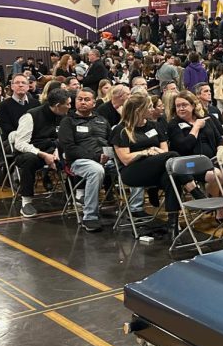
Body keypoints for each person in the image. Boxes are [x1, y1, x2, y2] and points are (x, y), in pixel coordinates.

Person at [112, 92, 194, 236]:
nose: (152, 109)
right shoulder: (121, 130)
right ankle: (194, 190)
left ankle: (172, 224)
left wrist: (156, 152)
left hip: (156, 168)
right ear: (139, 110)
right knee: (174, 156)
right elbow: (125, 159)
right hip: (133, 172)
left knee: (172, 177)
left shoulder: (154, 125)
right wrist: (146, 152)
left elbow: (164, 151)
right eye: (149, 107)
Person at [59, 88, 113, 231]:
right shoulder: (68, 121)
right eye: (79, 99)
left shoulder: (102, 120)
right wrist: (96, 157)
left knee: (133, 163)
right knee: (96, 170)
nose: (83, 102)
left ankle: (135, 208)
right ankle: (90, 216)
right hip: (79, 162)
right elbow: (70, 149)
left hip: (107, 159)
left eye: (87, 99)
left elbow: (112, 141)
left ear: (94, 103)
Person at [12, 88, 71, 218]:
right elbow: (20, 144)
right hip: (30, 152)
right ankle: (26, 202)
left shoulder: (64, 116)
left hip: (52, 150)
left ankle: (76, 194)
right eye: (67, 104)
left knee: (73, 154)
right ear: (57, 106)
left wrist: (56, 152)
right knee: (30, 160)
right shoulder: (31, 116)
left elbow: (61, 139)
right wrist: (43, 155)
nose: (70, 106)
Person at [0, 74, 39, 139]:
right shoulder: (3, 105)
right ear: (12, 86)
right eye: (17, 83)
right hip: (14, 141)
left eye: (23, 83)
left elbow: (39, 124)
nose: (20, 85)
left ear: (28, 87)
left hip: (35, 139)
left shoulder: (36, 104)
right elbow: (7, 128)